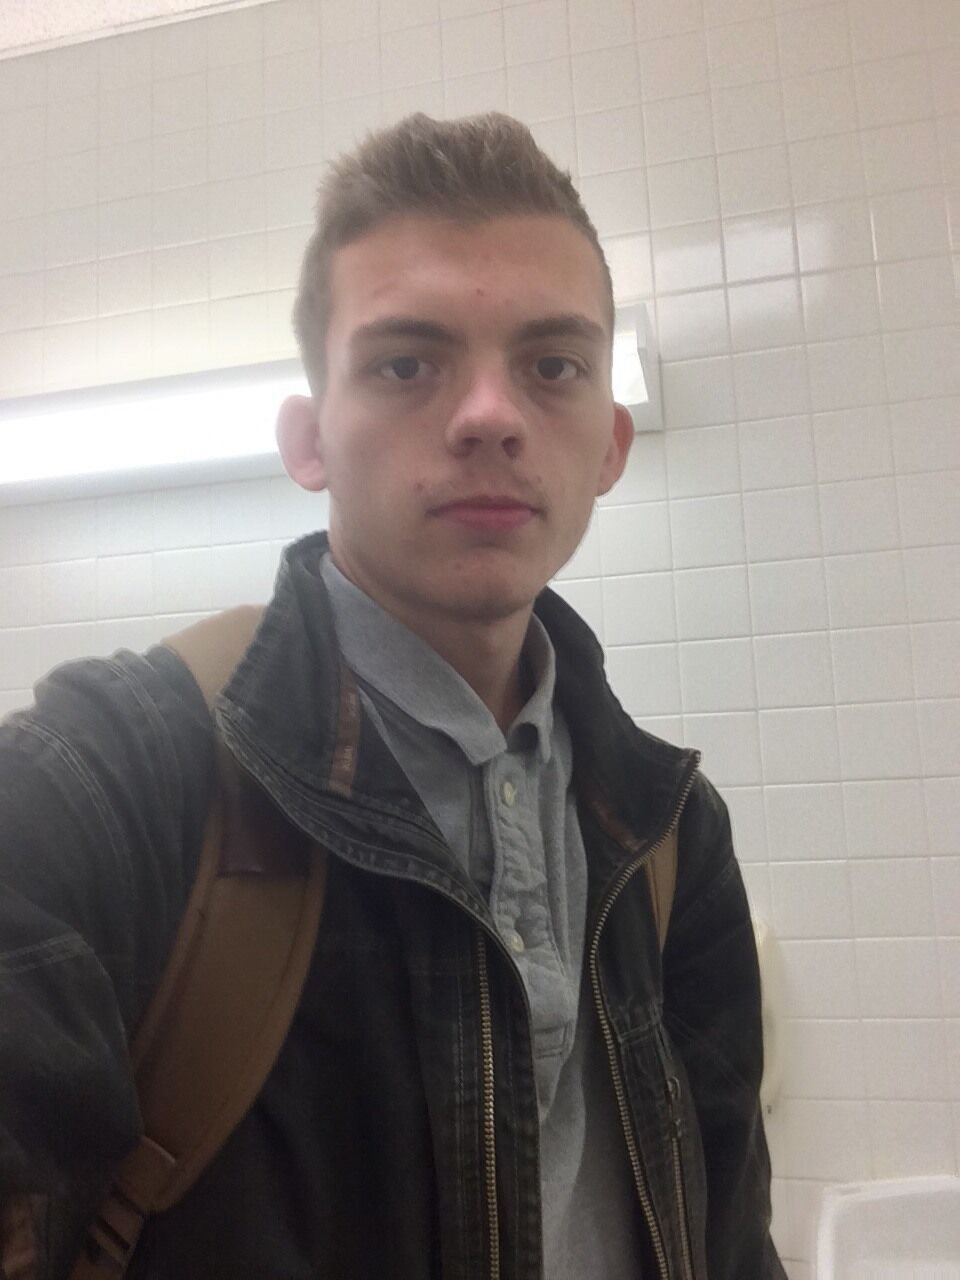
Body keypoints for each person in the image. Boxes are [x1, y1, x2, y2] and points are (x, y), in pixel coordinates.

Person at [0, 112, 784, 1280]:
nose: (489, 415)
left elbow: (729, 1243)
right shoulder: (113, 773)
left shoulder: (668, 831)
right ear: (309, 440)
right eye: (407, 363)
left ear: (609, 446)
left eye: (553, 365)